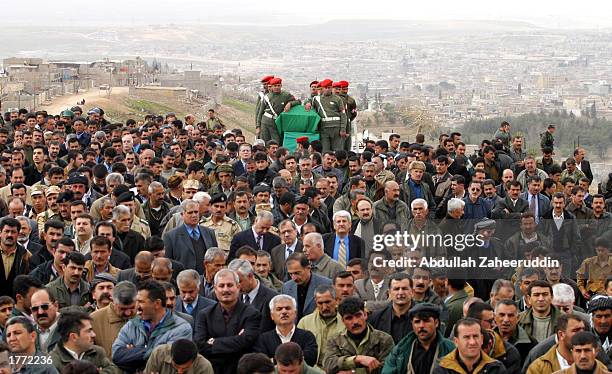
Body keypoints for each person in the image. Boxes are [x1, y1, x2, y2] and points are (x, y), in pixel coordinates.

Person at [112, 280, 192, 372]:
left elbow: (169, 364)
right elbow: (116, 356)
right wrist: (152, 351)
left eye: (141, 302)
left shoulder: (181, 328)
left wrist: (133, 351)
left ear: (157, 303)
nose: (136, 306)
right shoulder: (132, 325)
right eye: (137, 301)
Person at [194, 269, 261, 374]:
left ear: (238, 287)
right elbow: (200, 346)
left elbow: (246, 342)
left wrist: (214, 342)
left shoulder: (252, 314)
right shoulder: (204, 315)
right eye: (221, 286)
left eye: (230, 285)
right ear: (215, 289)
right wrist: (237, 339)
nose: (225, 290)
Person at [322, 297, 394, 374]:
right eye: (349, 318)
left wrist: (352, 371)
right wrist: (357, 359)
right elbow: (328, 365)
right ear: (343, 321)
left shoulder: (384, 339)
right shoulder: (335, 340)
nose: (355, 322)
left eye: (358, 315)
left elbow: (388, 369)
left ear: (365, 315)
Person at [381, 303, 455, 374]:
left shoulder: (450, 349)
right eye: (417, 322)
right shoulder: (401, 350)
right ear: (412, 324)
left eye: (426, 321)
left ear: (436, 323)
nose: (421, 326)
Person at [253, 295, 318, 366]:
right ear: (272, 316)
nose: (284, 312)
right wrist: (297, 358)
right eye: (279, 309)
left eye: (288, 308)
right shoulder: (263, 339)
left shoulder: (307, 336)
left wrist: (274, 360)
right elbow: (262, 364)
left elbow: (311, 359)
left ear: (295, 313)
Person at [48, 311, 119, 374]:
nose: (94, 335)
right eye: (88, 331)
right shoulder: (52, 362)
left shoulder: (97, 352)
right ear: (73, 337)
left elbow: (113, 370)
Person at [163, 199, 218, 274]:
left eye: (196, 212)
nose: (194, 215)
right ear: (182, 215)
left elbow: (215, 257)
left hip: (206, 279)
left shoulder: (209, 233)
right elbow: (168, 262)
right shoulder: (171, 236)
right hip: (183, 280)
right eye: (190, 213)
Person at [297, 285, 346, 369]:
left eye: (328, 302)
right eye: (320, 303)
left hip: (339, 368)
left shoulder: (346, 322)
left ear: (336, 300)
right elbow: (298, 351)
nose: (324, 307)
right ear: (315, 302)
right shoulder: (304, 322)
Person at [433, 318, 506, 374]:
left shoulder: (496, 368)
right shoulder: (443, 368)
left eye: (475, 336)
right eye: (466, 337)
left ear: (482, 339)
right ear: (456, 341)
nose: (472, 342)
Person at [91, 281, 137, 359]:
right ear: (112, 300)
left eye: (132, 308)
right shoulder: (94, 320)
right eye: (122, 308)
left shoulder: (145, 316)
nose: (128, 313)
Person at [281, 253, 332, 320]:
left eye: (297, 273)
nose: (294, 278)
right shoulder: (286, 287)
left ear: (308, 268)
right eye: (291, 274)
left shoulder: (326, 284)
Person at [368, 273, 415, 344]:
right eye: (396, 289)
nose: (400, 292)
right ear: (389, 293)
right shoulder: (376, 318)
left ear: (412, 292)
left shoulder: (423, 316)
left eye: (404, 288)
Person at [0, 217, 31, 297]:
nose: (9, 235)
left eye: (13, 232)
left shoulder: (26, 256)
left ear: (18, 234)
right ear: (0, 233)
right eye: (7, 231)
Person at [144, 339, 214, 374]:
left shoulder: (204, 367)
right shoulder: (159, 353)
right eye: (176, 366)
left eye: (185, 368)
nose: (179, 372)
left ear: (194, 360)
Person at [30, 288, 61, 353]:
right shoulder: (28, 334)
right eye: (35, 309)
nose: (40, 312)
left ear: (56, 306)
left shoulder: (69, 329)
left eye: (45, 307)